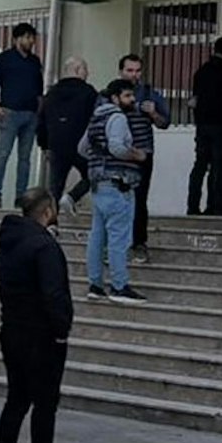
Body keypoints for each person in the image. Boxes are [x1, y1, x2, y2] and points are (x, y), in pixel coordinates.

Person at [0, 188, 80, 443]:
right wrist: (61, 328)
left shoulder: (7, 244)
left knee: (17, 398)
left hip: (12, 328)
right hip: (41, 334)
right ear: (47, 211)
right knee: (45, 402)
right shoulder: (44, 247)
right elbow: (53, 293)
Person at [81, 80, 150, 304]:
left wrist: (99, 160)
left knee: (97, 237)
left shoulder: (96, 117)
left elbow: (82, 148)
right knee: (119, 239)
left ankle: (95, 285)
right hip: (118, 184)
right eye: (128, 96)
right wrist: (137, 155)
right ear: (115, 98)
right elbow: (117, 147)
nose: (132, 100)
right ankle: (119, 286)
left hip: (99, 186)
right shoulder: (119, 117)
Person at [0, 23, 44, 208]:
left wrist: (39, 112)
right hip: (10, 112)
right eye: (26, 37)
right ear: (16, 39)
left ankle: (21, 196)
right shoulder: (5, 59)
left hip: (30, 114)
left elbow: (39, 90)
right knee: (3, 154)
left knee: (25, 159)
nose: (31, 41)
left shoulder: (34, 61)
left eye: (32, 37)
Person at [117, 55, 169, 263]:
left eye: (137, 70)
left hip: (143, 154)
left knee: (139, 199)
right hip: (118, 155)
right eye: (130, 70)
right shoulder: (111, 93)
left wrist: (153, 113)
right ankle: (116, 244)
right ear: (121, 71)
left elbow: (164, 122)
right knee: (117, 200)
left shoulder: (149, 94)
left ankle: (139, 243)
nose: (134, 75)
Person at [35, 57, 97, 210]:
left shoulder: (51, 93)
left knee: (55, 187)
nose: (87, 73)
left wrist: (44, 145)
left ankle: (50, 223)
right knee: (94, 175)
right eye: (85, 69)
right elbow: (95, 119)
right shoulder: (88, 92)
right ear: (77, 70)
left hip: (56, 144)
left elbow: (41, 120)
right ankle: (72, 196)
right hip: (81, 145)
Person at [188, 37, 222, 217]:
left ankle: (193, 206)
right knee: (219, 166)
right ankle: (218, 206)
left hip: (202, 125)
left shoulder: (201, 71)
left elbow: (195, 99)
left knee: (200, 165)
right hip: (219, 125)